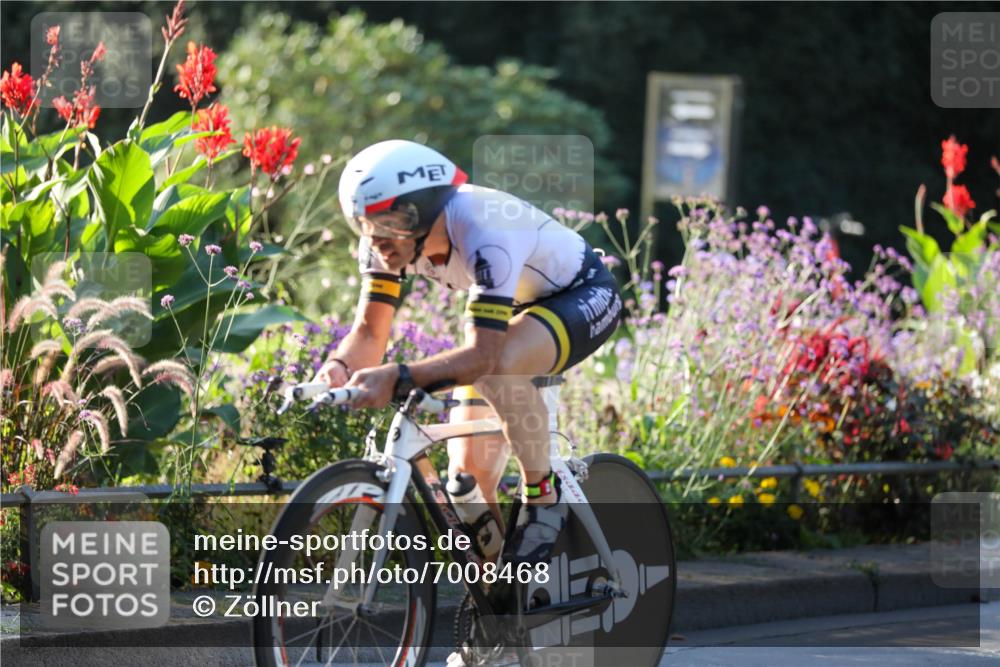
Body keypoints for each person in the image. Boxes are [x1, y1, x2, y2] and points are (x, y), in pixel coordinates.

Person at [313, 139, 624, 566]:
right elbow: (369, 333)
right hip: (506, 312)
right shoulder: (386, 242)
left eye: (388, 222)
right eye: (365, 224)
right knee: (466, 486)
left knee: (496, 369)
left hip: (579, 294)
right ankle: (505, 597)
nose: (378, 240)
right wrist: (336, 368)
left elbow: (482, 356)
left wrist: (398, 377)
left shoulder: (486, 227)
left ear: (423, 209)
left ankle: (543, 496)